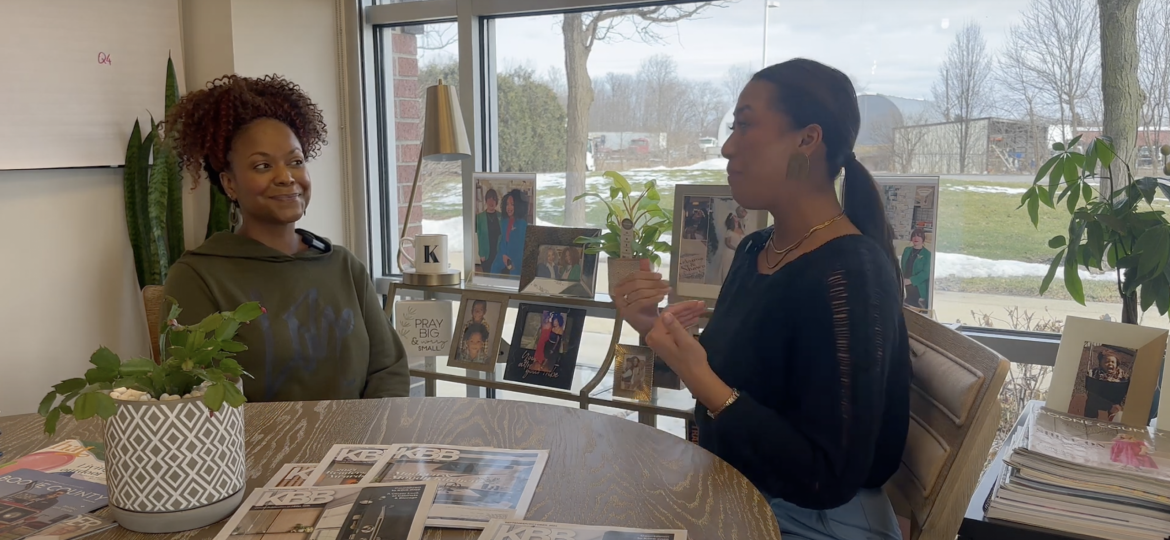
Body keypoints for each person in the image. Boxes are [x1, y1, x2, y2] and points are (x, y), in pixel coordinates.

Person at [610, 59, 910, 540]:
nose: (728, 146)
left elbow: (827, 478)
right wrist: (651, 326)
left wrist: (702, 378)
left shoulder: (849, 273)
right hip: (739, 493)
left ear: (807, 140)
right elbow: (735, 381)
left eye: (745, 125)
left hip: (811, 522)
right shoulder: (756, 249)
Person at [162, 74, 410, 402]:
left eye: (296, 162)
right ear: (229, 184)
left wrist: (368, 441)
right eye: (263, 166)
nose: (286, 177)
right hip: (258, 451)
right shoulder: (199, 276)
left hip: (360, 446)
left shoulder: (342, 266)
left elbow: (388, 369)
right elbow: (198, 396)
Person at [490, 190, 528, 276]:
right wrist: (503, 254)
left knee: (514, 275)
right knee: (494, 268)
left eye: (512, 204)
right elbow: (503, 239)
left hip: (516, 257)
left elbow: (520, 248)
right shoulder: (504, 220)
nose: (509, 207)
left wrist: (511, 262)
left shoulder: (522, 224)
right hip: (504, 253)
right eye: (507, 204)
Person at [900, 228, 932, 309]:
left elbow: (926, 273)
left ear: (923, 239)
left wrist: (911, 281)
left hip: (917, 289)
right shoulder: (907, 250)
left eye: (919, 236)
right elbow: (902, 267)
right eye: (914, 236)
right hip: (904, 287)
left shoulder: (927, 254)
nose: (916, 238)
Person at [476, 189, 502, 272]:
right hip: (486, 254)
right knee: (487, 278)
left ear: (496, 201)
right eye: (489, 199)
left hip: (498, 253)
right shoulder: (480, 217)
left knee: (497, 277)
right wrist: (481, 254)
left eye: (494, 199)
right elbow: (479, 236)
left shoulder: (501, 216)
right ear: (486, 201)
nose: (491, 202)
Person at [720, 212, 746, 283]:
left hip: (739, 252)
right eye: (734, 216)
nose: (736, 217)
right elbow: (727, 243)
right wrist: (735, 248)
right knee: (728, 269)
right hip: (730, 252)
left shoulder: (742, 229)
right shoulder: (729, 231)